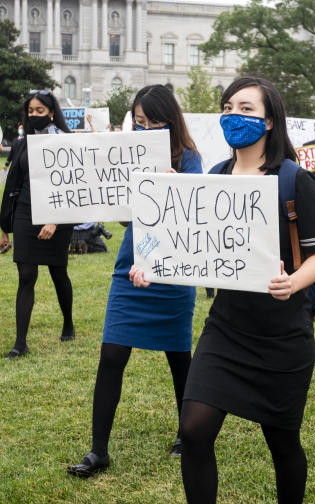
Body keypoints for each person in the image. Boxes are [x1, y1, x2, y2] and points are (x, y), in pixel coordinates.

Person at [163, 76, 315, 504]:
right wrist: (156, 261)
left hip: (283, 335)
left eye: (246, 109)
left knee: (283, 443)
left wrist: (292, 282)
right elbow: (194, 250)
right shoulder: (215, 177)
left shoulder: (295, 180)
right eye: (228, 107)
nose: (234, 115)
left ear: (270, 121)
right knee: (194, 428)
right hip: (226, 329)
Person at [67, 85, 203, 478]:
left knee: (179, 358)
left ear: (170, 121)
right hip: (131, 268)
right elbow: (127, 220)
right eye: (139, 122)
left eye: (153, 122)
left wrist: (171, 186)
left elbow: (192, 217)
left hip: (172, 272)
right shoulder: (128, 154)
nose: (145, 129)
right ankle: (98, 451)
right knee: (111, 356)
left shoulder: (190, 158)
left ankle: (186, 433)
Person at [0, 92, 75, 359]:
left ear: (52, 112)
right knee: (26, 275)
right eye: (30, 110)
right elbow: (12, 184)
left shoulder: (65, 142)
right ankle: (20, 342)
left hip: (58, 213)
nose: (34, 115)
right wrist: (5, 226)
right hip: (26, 211)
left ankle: (68, 322)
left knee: (57, 272)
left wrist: (54, 221)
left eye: (40, 110)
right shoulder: (23, 143)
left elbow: (72, 186)